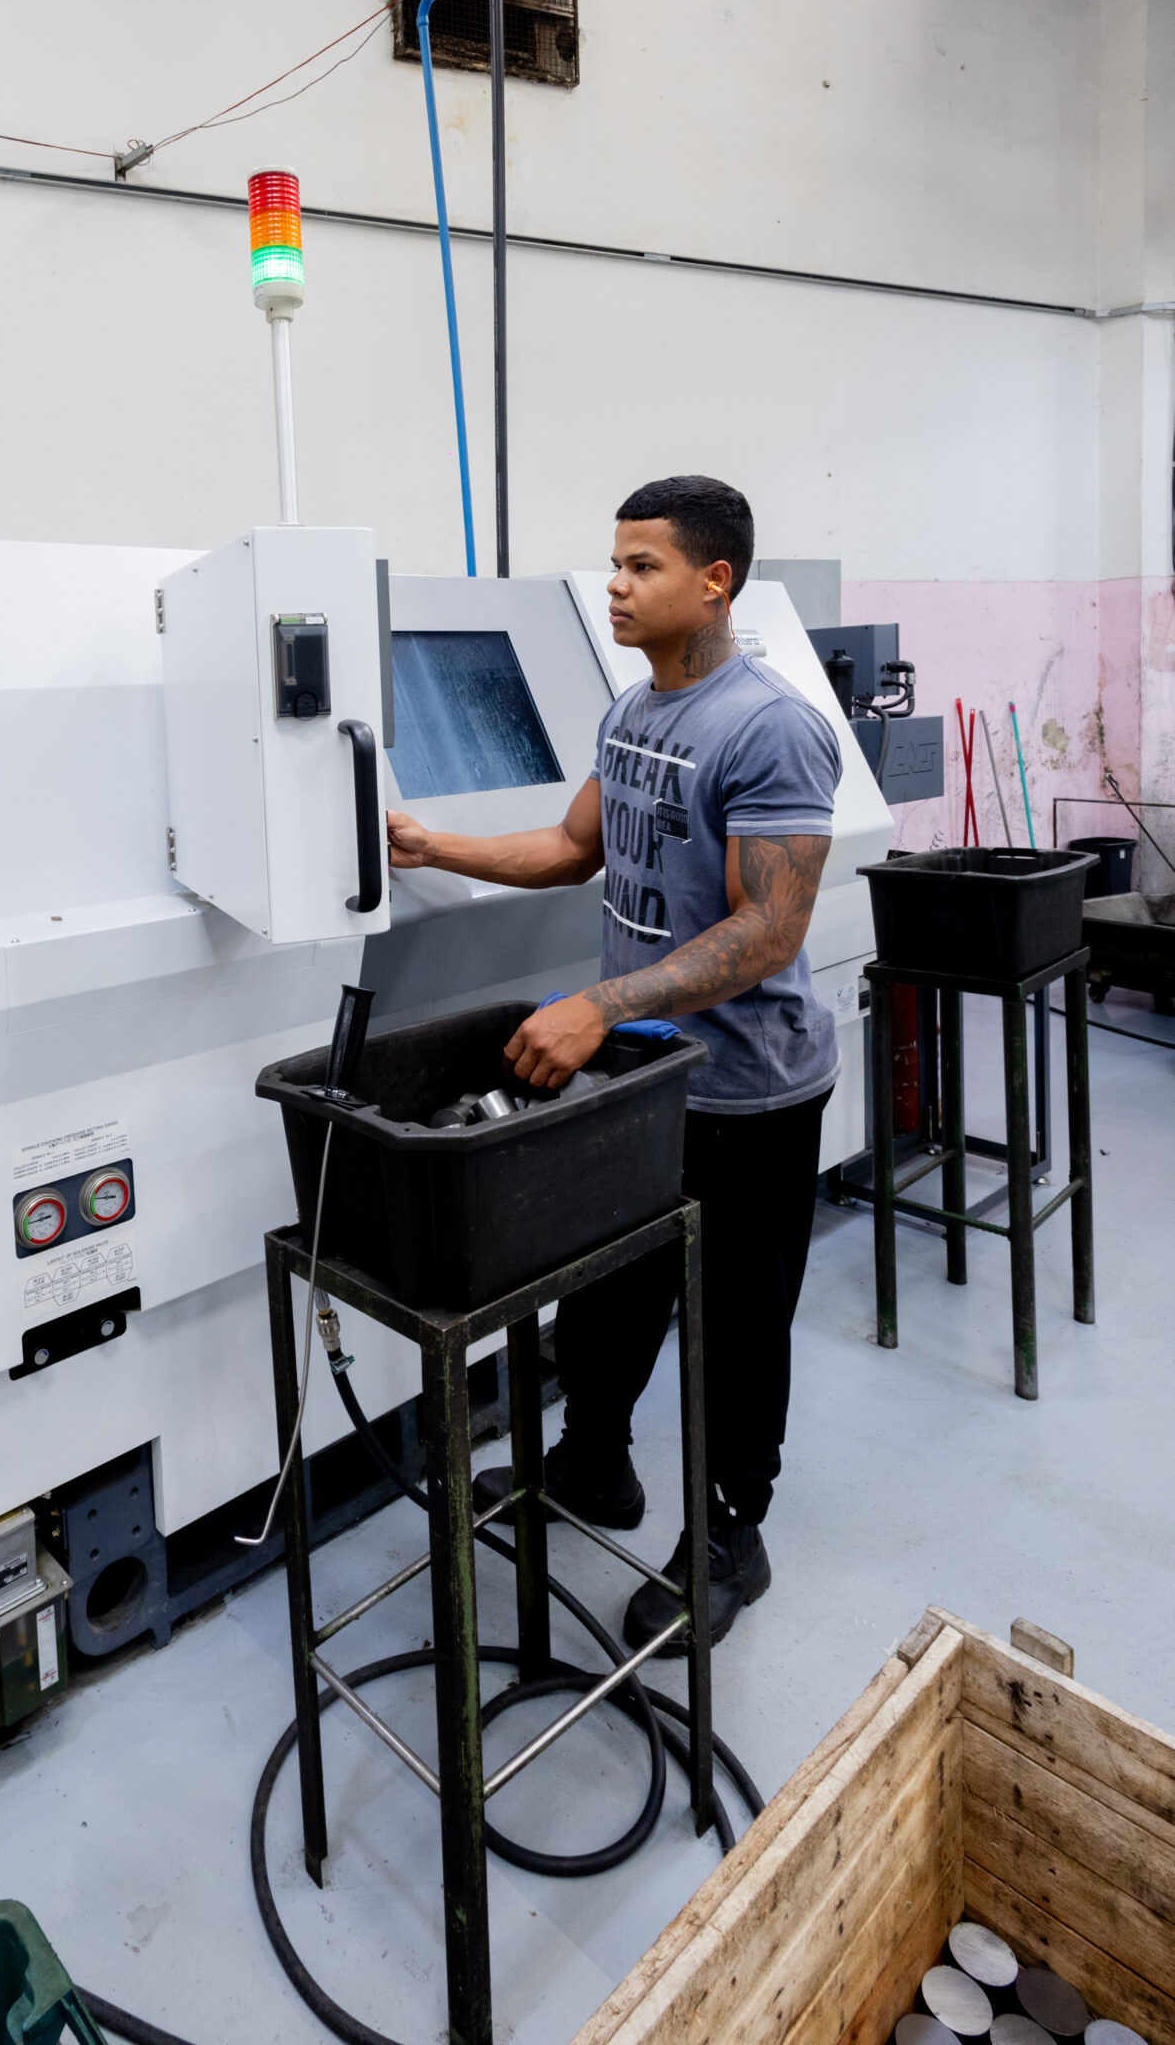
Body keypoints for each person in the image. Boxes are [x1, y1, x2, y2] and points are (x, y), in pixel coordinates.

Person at [385, 475, 841, 1649]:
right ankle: (596, 1467)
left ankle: (732, 1539)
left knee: (738, 1329)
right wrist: (434, 843)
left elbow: (768, 932)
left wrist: (594, 1001)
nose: (617, 584)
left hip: (748, 1089)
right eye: (615, 562)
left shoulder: (770, 725)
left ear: (715, 580)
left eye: (642, 566)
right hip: (643, 1076)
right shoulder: (636, 713)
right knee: (604, 1291)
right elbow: (575, 844)